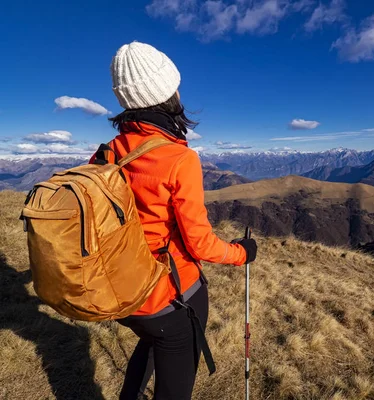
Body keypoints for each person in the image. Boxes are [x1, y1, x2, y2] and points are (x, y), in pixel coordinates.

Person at [97, 41, 258, 400]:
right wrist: (241, 253)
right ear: (165, 93)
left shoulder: (107, 152)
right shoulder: (179, 159)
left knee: (151, 341)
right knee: (173, 377)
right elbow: (199, 243)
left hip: (121, 291)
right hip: (170, 296)